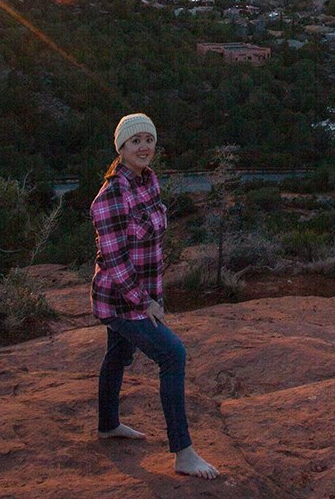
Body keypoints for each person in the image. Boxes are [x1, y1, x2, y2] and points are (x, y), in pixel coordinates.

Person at [91, 112, 218, 479]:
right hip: (118, 299)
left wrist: (155, 297)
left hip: (142, 294)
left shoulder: (148, 182)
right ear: (121, 147)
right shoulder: (111, 195)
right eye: (135, 141)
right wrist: (144, 302)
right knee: (173, 354)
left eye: (149, 139)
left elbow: (152, 249)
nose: (144, 146)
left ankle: (108, 424)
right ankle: (183, 452)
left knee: (119, 353)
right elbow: (114, 260)